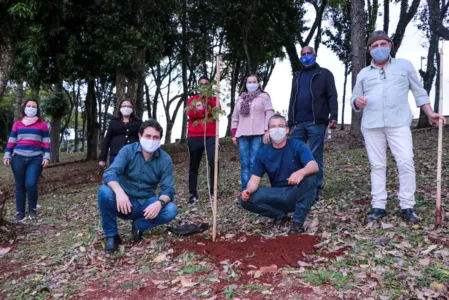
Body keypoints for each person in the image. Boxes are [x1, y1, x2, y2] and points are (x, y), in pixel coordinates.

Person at [350, 30, 446, 223]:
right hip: (371, 125)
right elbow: (353, 98)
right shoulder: (363, 73)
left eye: (383, 44)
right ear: (369, 50)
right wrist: (357, 102)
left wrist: (430, 113)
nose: (379, 49)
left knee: (405, 161)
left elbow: (419, 92)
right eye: (375, 46)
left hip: (398, 123)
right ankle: (378, 205)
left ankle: (407, 205)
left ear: (390, 45)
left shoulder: (404, 66)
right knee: (377, 165)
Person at [97, 119, 177, 253]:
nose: (151, 140)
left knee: (171, 209)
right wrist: (119, 192)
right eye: (148, 136)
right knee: (104, 191)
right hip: (122, 202)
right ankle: (112, 236)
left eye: (155, 137)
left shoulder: (165, 159)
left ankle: (139, 225)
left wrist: (160, 203)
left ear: (160, 140)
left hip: (145, 202)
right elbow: (110, 172)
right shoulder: (128, 150)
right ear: (140, 136)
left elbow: (168, 188)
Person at [239, 114, 319, 235]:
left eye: (281, 126)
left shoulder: (298, 146)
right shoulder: (263, 153)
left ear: (287, 130)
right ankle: (280, 216)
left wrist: (301, 172)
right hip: (277, 194)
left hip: (296, 192)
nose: (277, 129)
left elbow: (314, 165)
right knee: (244, 200)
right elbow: (254, 180)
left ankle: (297, 224)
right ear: (268, 131)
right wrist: (248, 191)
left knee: (311, 177)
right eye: (273, 127)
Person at [287, 46, 338, 200]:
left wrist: (333, 115)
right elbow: (292, 99)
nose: (306, 56)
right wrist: (290, 122)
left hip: (317, 122)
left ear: (315, 55)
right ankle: (298, 186)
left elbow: (332, 96)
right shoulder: (297, 76)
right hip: (298, 123)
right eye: (303, 54)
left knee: (315, 155)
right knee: (295, 155)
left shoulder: (325, 74)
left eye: (309, 53)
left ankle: (315, 187)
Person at [3, 99, 51, 222]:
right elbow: (12, 140)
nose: (31, 108)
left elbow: (46, 142)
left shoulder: (42, 125)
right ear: (24, 108)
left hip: (35, 158)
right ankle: (20, 213)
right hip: (18, 158)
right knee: (19, 186)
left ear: (37, 109)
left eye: (33, 106)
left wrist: (46, 157)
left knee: (30, 184)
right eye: (28, 106)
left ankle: (32, 210)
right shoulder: (17, 124)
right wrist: (7, 155)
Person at [231, 74, 274, 191]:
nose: (251, 84)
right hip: (242, 134)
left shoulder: (264, 97)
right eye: (249, 82)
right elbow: (235, 116)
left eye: (254, 81)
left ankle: (253, 189)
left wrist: (267, 130)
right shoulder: (240, 99)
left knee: (253, 162)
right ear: (246, 84)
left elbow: (269, 114)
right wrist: (234, 133)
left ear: (259, 83)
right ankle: (245, 190)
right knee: (244, 163)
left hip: (258, 133)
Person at [186, 75, 219, 204]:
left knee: (213, 162)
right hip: (195, 136)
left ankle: (213, 193)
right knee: (194, 165)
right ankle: (193, 194)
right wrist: (201, 109)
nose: (204, 87)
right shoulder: (192, 100)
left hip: (211, 135)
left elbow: (216, 111)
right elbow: (191, 113)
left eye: (206, 84)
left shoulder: (215, 99)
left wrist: (206, 104)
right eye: (201, 84)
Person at [99, 98, 142, 167]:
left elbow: (142, 138)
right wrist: (102, 158)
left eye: (129, 106)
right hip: (115, 155)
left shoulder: (138, 122)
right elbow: (107, 139)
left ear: (133, 109)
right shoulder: (114, 122)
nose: (126, 108)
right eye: (124, 106)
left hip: (133, 155)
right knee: (115, 176)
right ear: (120, 108)